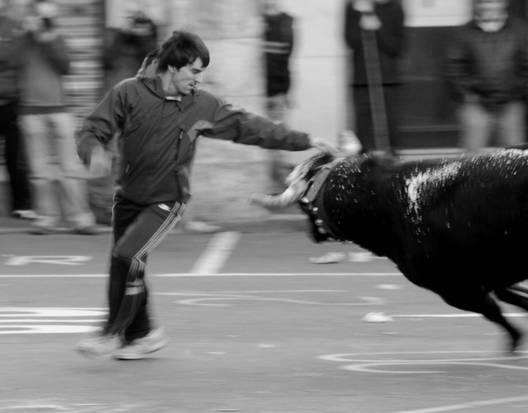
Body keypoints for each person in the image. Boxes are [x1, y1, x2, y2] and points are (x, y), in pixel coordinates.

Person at [74, 30, 329, 360]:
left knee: (128, 255)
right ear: (173, 67)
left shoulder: (202, 104)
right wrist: (92, 151)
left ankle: (111, 332)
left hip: (168, 199)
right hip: (129, 196)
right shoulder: (128, 93)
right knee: (126, 262)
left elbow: (251, 127)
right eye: (194, 71)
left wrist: (306, 140)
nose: (199, 79)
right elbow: (93, 127)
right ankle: (143, 334)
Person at [18, 0, 101, 234]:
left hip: (60, 109)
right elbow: (12, 61)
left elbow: (65, 66)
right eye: (39, 18)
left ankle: (81, 219)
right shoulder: (23, 41)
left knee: (70, 168)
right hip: (30, 111)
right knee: (39, 170)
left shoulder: (57, 38)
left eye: (47, 18)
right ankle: (46, 219)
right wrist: (27, 35)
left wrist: (49, 38)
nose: (42, 23)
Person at [445, 0, 528, 152]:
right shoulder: (463, 32)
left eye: (494, 3)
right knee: (472, 160)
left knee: (514, 157)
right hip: (475, 104)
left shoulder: (519, 30)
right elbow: (453, 66)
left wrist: (518, 90)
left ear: (503, 4)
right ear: (477, 5)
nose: (489, 7)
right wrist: (467, 94)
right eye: (484, 3)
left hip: (511, 103)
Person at [344, 0, 405, 154]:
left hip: (387, 80)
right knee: (362, 131)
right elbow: (351, 41)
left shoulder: (394, 7)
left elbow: (396, 47)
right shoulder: (353, 7)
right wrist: (362, 18)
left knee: (389, 131)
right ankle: (362, 168)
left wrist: (377, 26)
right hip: (361, 80)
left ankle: (392, 167)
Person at [0, 0, 35, 220]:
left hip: (11, 101)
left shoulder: (14, 26)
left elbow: (16, 58)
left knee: (16, 157)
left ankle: (21, 205)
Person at [261, 0, 295, 193]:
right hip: (259, 92)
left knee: (277, 138)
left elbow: (285, 59)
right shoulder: (258, 22)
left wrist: (287, 91)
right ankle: (272, 180)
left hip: (275, 90)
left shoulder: (284, 23)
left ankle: (279, 181)